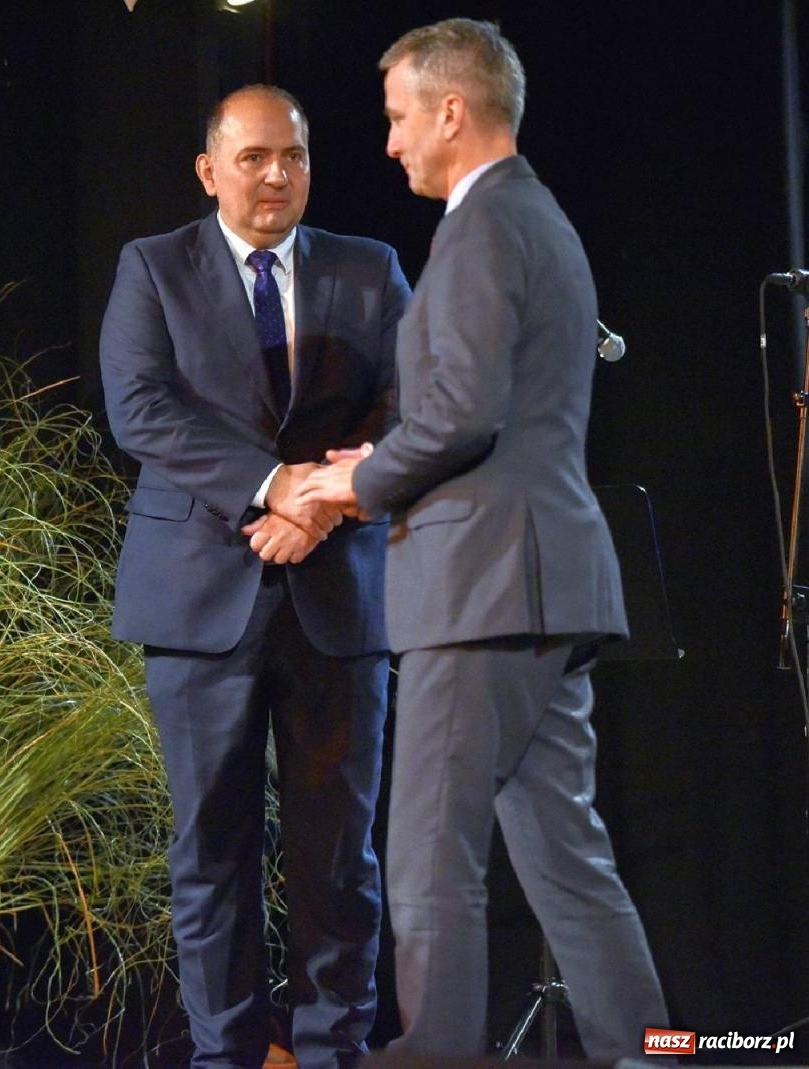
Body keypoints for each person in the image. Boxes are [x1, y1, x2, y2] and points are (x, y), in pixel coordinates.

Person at [296, 19, 668, 1058]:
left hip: (482, 588)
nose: (389, 144)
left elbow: (461, 412)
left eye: (399, 118)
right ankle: (650, 1053)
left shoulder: (480, 227)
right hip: (547, 589)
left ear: (451, 111)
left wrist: (353, 483)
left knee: (426, 856)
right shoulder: (538, 218)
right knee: (566, 860)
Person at [99, 86, 411, 1069]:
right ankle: (224, 1055)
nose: (277, 175)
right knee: (210, 856)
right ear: (209, 171)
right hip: (199, 600)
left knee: (339, 861)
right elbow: (139, 409)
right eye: (254, 158)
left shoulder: (368, 269)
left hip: (338, 601)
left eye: (294, 156)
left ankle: (332, 1053)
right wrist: (276, 486)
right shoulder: (153, 266)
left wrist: (324, 505)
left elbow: (417, 416)